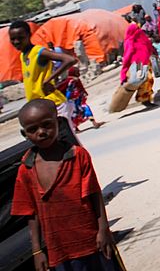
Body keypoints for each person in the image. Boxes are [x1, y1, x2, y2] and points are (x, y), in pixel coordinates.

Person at [12, 99, 119, 271]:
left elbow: (94, 194)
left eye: (47, 125)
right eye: (32, 129)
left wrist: (103, 229)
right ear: (25, 134)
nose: (41, 132)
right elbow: (30, 213)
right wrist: (37, 251)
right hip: (59, 250)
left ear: (59, 122)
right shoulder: (26, 169)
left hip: (92, 241)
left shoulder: (78, 156)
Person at [7, 21, 78, 126]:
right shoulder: (23, 55)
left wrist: (49, 79)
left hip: (53, 104)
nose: (16, 42)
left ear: (29, 35)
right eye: (13, 39)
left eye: (20, 38)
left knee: (65, 139)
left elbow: (70, 60)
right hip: (39, 108)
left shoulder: (38, 52)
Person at [120, 23, 157, 107]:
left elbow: (148, 45)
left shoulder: (141, 37)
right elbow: (127, 56)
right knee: (145, 79)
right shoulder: (130, 41)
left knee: (149, 80)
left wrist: (153, 52)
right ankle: (143, 98)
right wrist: (124, 71)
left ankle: (147, 97)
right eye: (136, 29)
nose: (138, 31)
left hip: (146, 61)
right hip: (138, 63)